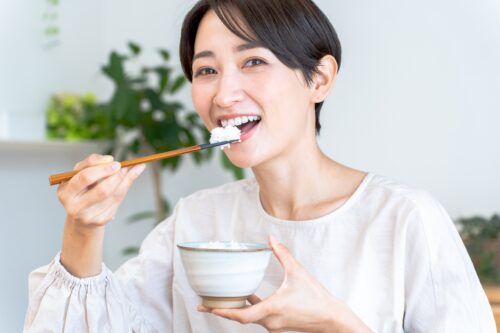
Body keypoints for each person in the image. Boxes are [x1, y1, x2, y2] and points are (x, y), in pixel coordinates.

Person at [24, 0, 496, 332]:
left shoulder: (403, 219)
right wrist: (83, 230)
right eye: (206, 70)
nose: (224, 95)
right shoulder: (195, 221)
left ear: (319, 78)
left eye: (253, 61)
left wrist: (336, 324)